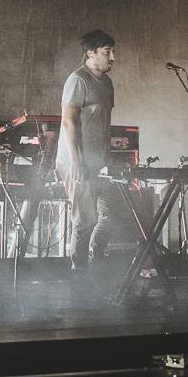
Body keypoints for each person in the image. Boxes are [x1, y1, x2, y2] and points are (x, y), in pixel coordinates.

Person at [58, 29, 128, 274]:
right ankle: (79, 271)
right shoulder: (78, 80)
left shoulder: (107, 82)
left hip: (100, 162)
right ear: (91, 54)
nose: (112, 57)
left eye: (113, 52)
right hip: (78, 161)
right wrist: (76, 161)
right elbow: (68, 121)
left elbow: (104, 123)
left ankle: (95, 260)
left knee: (111, 214)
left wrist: (108, 158)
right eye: (107, 52)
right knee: (84, 219)